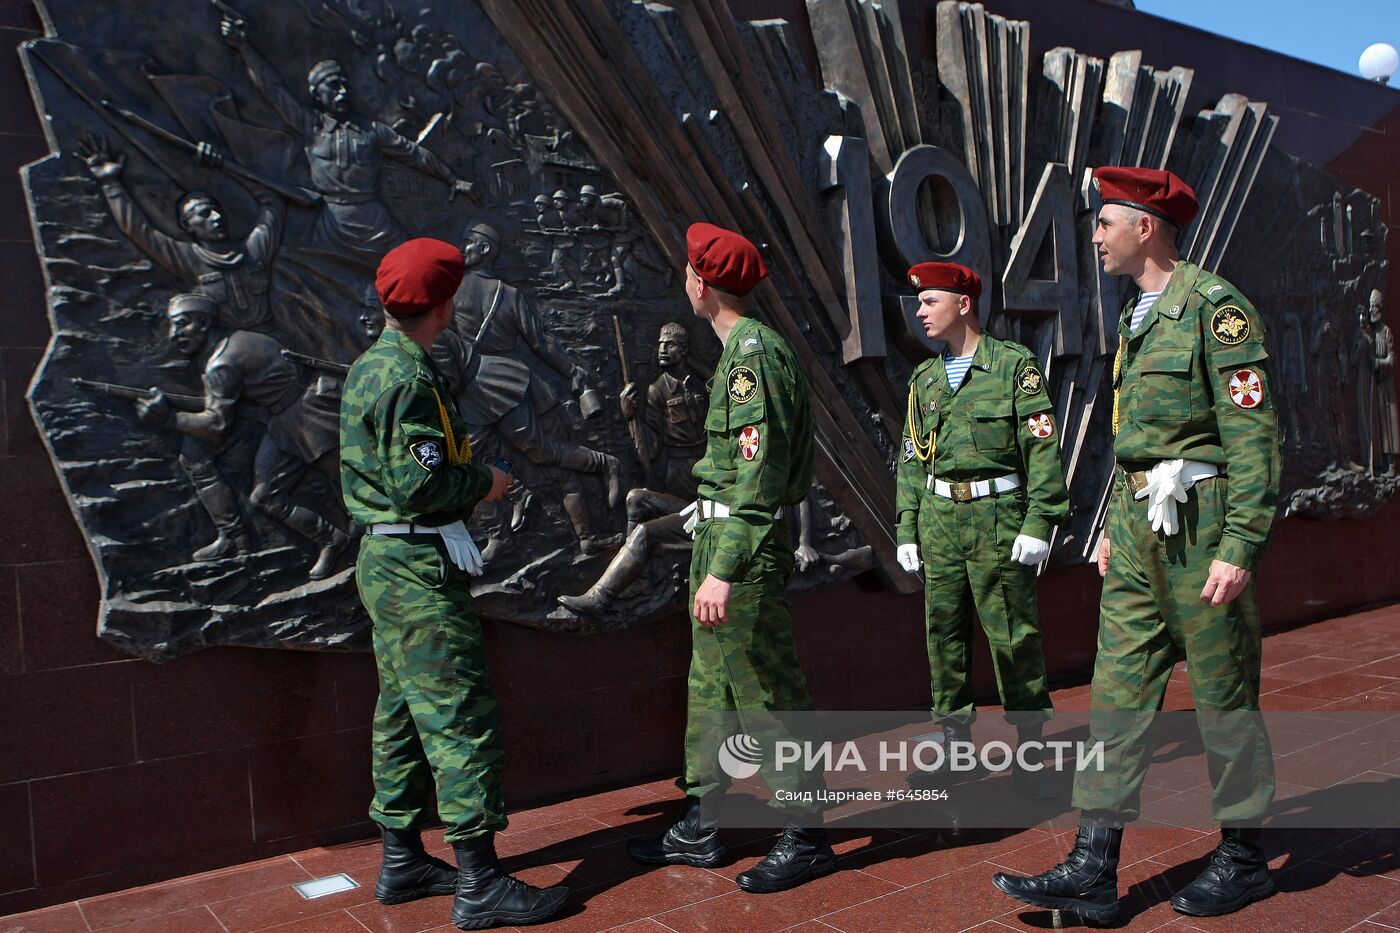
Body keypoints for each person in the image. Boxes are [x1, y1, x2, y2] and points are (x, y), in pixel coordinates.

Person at [993, 167, 1280, 922]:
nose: (1095, 235)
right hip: (1139, 528)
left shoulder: (1216, 310)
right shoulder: (1137, 317)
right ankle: (1094, 865)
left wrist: (1240, 544)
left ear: (1145, 226)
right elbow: (1134, 444)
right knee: (1118, 695)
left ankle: (1246, 856)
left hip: (1203, 527)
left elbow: (1253, 440)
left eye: (1104, 222)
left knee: (1223, 696)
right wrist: (1112, 531)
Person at [339, 239, 568, 929]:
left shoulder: (371, 366)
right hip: (416, 568)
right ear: (443, 304)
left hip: (390, 562)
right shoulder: (409, 376)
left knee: (405, 713)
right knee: (458, 712)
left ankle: (403, 857)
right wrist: (486, 483)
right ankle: (481, 881)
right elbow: (421, 481)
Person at [626, 222, 834, 894]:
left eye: (689, 272)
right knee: (711, 689)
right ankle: (701, 821)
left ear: (703, 282)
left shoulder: (751, 359)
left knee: (766, 690)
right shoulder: (737, 354)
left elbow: (761, 474)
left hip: (739, 553)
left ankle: (807, 834)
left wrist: (724, 564)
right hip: (719, 538)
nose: (685, 281)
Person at [893, 261, 1068, 792]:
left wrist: (1041, 521)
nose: (920, 312)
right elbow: (910, 460)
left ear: (963, 304)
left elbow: (1041, 448)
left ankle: (1032, 745)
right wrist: (906, 528)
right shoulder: (924, 379)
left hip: (998, 519)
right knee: (942, 632)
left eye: (930, 302)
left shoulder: (1014, 367)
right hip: (940, 519)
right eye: (920, 303)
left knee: (1013, 635)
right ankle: (954, 739)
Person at [136, 293, 346, 576]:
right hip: (284, 420)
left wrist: (170, 418)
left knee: (350, 483)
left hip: (312, 419)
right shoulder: (239, 339)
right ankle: (332, 539)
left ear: (204, 323)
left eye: (182, 324)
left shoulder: (220, 364)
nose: (175, 335)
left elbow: (216, 425)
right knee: (266, 497)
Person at [448, 222, 621, 554]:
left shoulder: (499, 295)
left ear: (485, 249)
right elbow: (543, 343)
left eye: (469, 242)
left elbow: (540, 341)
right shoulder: (462, 289)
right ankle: (500, 532)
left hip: (502, 386)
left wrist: (572, 371)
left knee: (539, 451)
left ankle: (602, 463)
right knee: (469, 460)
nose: (463, 247)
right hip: (475, 389)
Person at [557, 322, 707, 616]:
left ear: (685, 349)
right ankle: (633, 575)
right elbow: (648, 451)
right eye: (660, 344)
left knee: (645, 533)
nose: (662, 348)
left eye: (670, 344)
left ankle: (600, 598)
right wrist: (630, 417)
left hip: (711, 502)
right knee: (635, 498)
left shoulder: (704, 385)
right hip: (684, 487)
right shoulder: (655, 391)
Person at [77, 134, 282, 332]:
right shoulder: (187, 257)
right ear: (187, 225)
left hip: (275, 345)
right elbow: (137, 229)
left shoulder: (254, 250)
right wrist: (110, 184)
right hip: (227, 349)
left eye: (217, 210)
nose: (217, 217)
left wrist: (225, 166)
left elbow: (271, 202)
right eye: (204, 213)